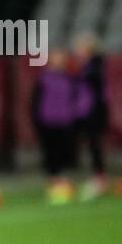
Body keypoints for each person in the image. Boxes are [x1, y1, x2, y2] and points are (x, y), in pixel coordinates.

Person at [31, 45, 88, 204]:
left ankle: (62, 181)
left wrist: (75, 116)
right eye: (55, 57)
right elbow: (35, 101)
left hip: (64, 120)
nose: (58, 60)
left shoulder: (70, 79)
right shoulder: (43, 79)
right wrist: (37, 119)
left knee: (64, 151)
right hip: (47, 120)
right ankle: (53, 182)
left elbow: (78, 99)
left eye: (60, 57)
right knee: (50, 152)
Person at [72, 31, 110, 197]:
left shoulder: (95, 65)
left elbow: (95, 88)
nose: (77, 49)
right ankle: (97, 177)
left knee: (94, 144)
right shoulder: (89, 65)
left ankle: (99, 180)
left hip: (94, 111)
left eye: (81, 46)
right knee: (91, 144)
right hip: (87, 111)